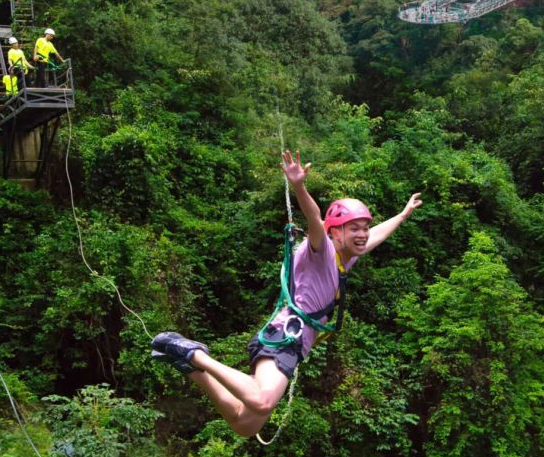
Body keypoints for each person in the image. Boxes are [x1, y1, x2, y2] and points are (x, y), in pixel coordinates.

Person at [152, 149, 422, 438]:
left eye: (364, 228)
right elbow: (315, 218)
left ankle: (190, 368)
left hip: (294, 345)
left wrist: (403, 214)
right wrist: (299, 186)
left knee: (246, 424)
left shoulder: (346, 256)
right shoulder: (321, 250)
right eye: (354, 228)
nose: (363, 234)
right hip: (284, 336)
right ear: (335, 232)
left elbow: (377, 235)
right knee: (261, 399)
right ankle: (193, 354)